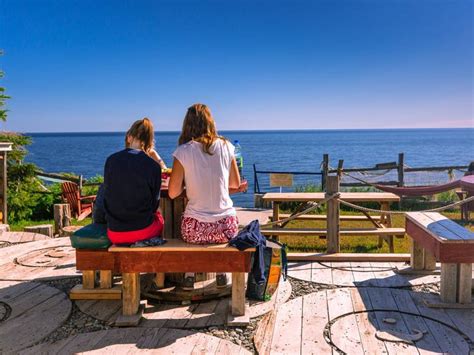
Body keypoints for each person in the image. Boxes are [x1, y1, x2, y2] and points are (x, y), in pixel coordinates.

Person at [168, 103, 247, 290]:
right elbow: (235, 183)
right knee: (216, 229)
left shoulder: (183, 151)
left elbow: (172, 193)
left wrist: (190, 184)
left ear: (187, 124)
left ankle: (189, 274)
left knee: (189, 223)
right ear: (210, 122)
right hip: (226, 227)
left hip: (195, 230)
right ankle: (221, 273)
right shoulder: (227, 146)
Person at [104, 118, 164, 245]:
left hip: (115, 232)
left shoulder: (110, 161)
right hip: (143, 231)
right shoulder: (153, 166)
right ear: (149, 142)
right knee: (160, 219)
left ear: (129, 137)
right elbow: (154, 205)